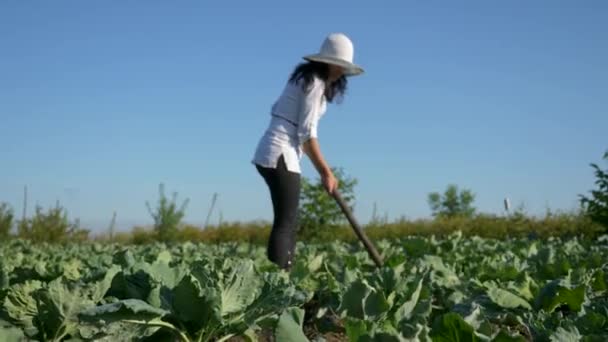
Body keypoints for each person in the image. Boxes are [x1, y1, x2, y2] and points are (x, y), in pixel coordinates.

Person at [251, 33, 364, 270]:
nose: (341, 72)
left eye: (344, 68)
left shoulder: (308, 80)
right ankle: (279, 281)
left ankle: (283, 277)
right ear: (327, 62)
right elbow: (307, 134)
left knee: (289, 220)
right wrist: (326, 172)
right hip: (280, 151)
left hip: (277, 150)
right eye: (339, 66)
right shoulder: (314, 83)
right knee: (286, 221)